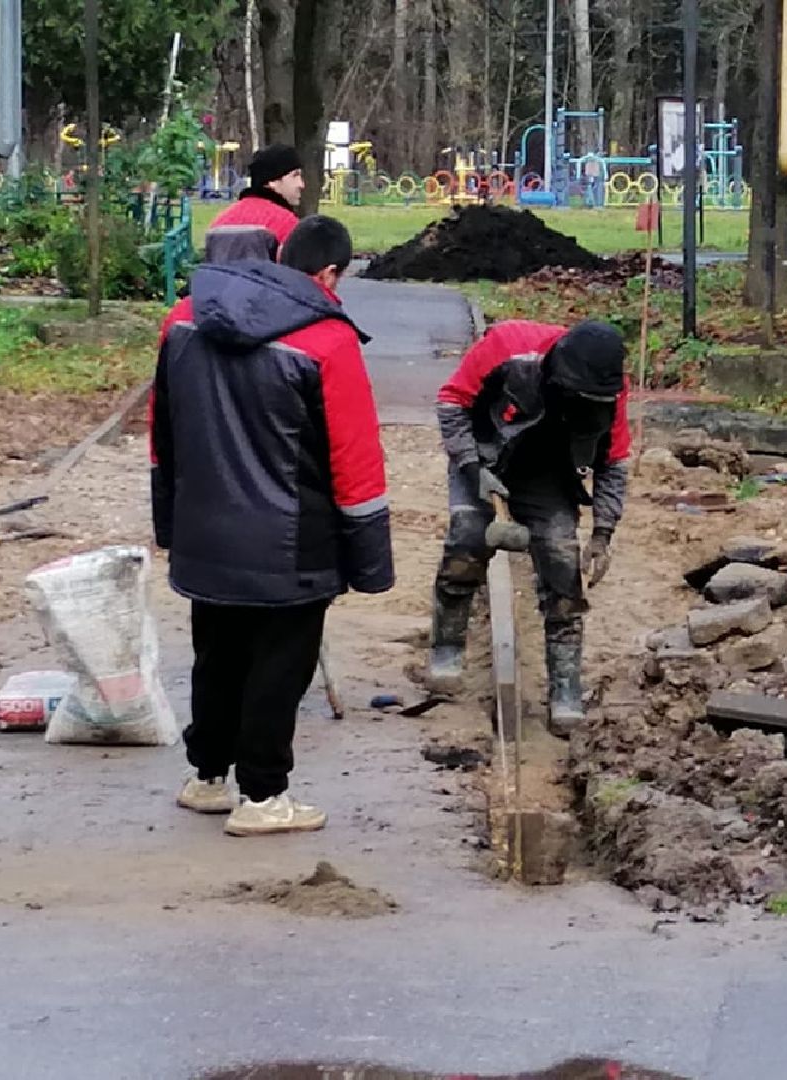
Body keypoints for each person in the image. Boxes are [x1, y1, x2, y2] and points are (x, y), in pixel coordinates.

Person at [150, 215, 393, 836]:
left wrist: (171, 523)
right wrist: (368, 560)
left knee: (217, 652)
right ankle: (263, 796)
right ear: (331, 272)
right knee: (280, 664)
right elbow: (354, 458)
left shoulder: (183, 320)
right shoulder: (327, 341)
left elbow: (163, 435)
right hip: (294, 540)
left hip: (207, 531)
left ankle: (207, 776)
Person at [426, 319, 630, 737]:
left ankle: (566, 686)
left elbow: (613, 463)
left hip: (549, 473)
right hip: (486, 455)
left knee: (562, 565)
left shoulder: (611, 391)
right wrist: (471, 467)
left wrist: (602, 532)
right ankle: (446, 648)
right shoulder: (509, 348)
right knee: (467, 539)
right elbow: (451, 402)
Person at [203, 144, 306, 264]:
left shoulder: (220, 222)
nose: (301, 184)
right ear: (272, 180)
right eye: (295, 175)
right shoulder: (288, 225)